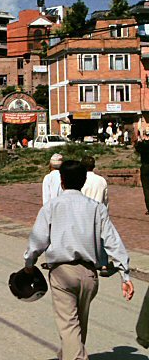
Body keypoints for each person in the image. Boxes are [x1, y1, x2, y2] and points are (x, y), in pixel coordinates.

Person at [23, 160, 134, 360]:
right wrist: (124, 275)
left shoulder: (51, 207)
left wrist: (29, 265)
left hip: (62, 274)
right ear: (83, 181)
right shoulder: (96, 208)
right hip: (90, 275)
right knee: (77, 327)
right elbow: (113, 241)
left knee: (69, 326)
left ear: (61, 181)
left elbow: (37, 241)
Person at [134, 135, 149, 215]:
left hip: (145, 166)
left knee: (146, 188)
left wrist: (140, 141)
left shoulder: (143, 145)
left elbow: (136, 148)